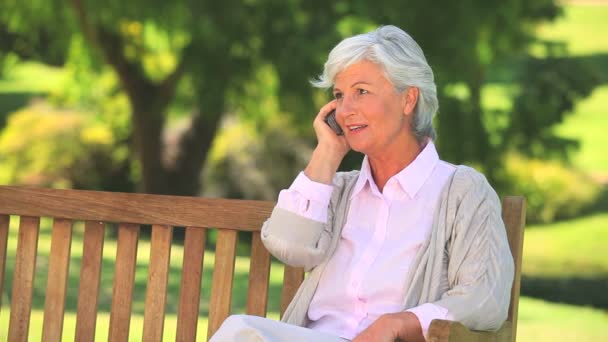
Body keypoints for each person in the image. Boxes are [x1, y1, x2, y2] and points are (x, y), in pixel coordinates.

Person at [210, 25, 514, 342]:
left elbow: (485, 298)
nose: (345, 110)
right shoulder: (338, 189)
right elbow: (288, 246)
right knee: (240, 332)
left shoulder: (462, 191)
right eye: (339, 96)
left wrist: (397, 323)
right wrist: (327, 153)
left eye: (361, 92)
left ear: (408, 99)